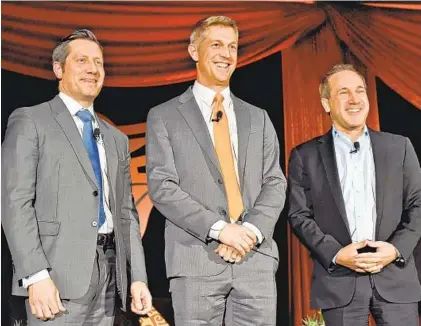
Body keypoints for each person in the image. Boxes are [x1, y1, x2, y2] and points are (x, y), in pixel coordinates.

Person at [1, 29, 152, 325]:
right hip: (55, 279)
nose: (93, 69)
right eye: (82, 60)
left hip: (110, 276)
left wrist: (138, 278)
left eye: (99, 62)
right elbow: (13, 201)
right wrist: (35, 275)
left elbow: (126, 214)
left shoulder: (117, 139)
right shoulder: (31, 120)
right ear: (59, 69)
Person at [146, 16, 286, 325]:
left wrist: (248, 233)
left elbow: (275, 182)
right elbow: (162, 187)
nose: (226, 54)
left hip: (255, 261)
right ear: (194, 51)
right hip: (195, 261)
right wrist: (222, 230)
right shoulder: (163, 116)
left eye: (233, 46)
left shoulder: (259, 118)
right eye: (217, 45)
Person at [288, 64, 421, 325]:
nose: (354, 99)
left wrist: (394, 250)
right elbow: (299, 215)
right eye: (344, 92)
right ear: (326, 103)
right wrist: (337, 254)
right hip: (340, 283)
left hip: (395, 279)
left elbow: (418, 205)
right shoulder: (305, 155)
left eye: (360, 91)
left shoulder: (399, 147)